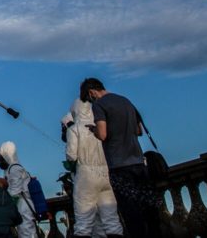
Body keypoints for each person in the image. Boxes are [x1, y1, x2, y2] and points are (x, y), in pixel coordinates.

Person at [82, 78, 161, 238]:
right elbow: (138, 131)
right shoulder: (125, 101)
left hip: (119, 166)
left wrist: (94, 130)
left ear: (91, 93)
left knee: (131, 212)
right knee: (149, 208)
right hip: (138, 162)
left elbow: (103, 134)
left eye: (89, 99)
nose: (90, 102)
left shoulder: (99, 105)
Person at [66, 98, 123, 238]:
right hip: (106, 173)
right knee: (111, 220)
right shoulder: (102, 127)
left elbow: (71, 156)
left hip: (86, 175)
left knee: (83, 221)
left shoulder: (74, 129)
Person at [0, 142, 36, 238]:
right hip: (18, 206)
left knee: (27, 233)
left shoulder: (15, 169)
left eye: (0, 158)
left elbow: (14, 192)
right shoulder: (8, 170)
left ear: (7, 155)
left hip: (23, 205)